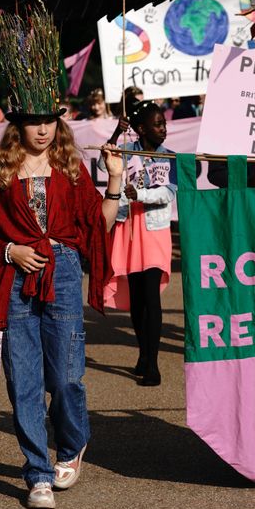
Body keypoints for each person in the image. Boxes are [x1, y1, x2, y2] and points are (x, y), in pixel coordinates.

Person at [0, 5, 123, 509]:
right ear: (17, 125)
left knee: (67, 378)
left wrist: (115, 182)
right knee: (26, 382)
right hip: (15, 281)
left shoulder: (74, 171)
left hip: (61, 274)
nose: (42, 130)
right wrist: (10, 249)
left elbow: (94, 228)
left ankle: (73, 443)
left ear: (58, 122)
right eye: (33, 122)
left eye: (49, 121)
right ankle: (37, 472)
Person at [104, 101, 177, 387]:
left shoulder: (169, 157)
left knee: (151, 296)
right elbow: (104, 163)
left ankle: (154, 364)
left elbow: (168, 193)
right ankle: (143, 353)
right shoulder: (125, 150)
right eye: (158, 124)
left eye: (165, 123)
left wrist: (140, 194)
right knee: (136, 298)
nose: (164, 129)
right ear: (141, 129)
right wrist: (114, 135)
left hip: (155, 231)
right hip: (129, 230)